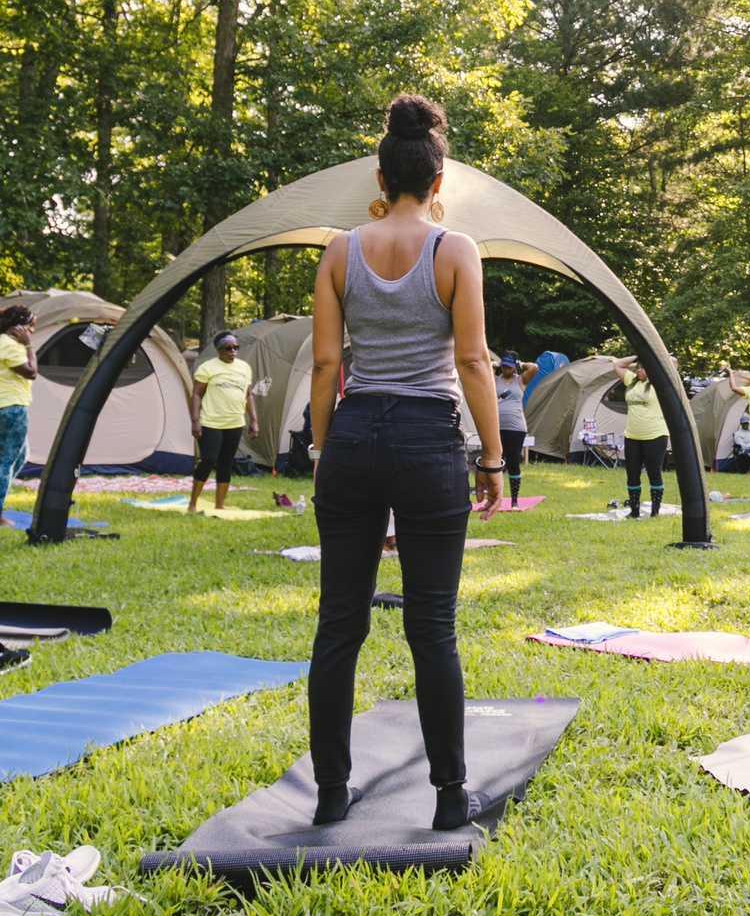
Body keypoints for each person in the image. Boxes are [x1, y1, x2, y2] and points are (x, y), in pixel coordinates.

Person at [303, 93, 506, 834]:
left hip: (354, 437)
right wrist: (494, 458)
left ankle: (331, 791)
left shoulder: (339, 250)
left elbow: (327, 366)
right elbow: (474, 361)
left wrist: (324, 452)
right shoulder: (456, 251)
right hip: (427, 441)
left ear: (381, 180)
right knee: (432, 627)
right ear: (438, 179)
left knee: (339, 625)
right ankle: (450, 796)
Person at [0, 304, 36, 524]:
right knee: (7, 459)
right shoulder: (9, 346)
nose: (33, 331)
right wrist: (29, 345)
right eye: (31, 326)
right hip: (9, 407)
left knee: (20, 455)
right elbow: (32, 372)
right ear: (19, 327)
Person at [188, 331, 256, 514]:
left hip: (235, 422)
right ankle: (192, 503)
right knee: (209, 459)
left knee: (226, 463)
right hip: (211, 422)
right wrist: (195, 421)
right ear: (219, 350)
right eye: (228, 348)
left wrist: (254, 421)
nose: (233, 351)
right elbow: (196, 394)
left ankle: (219, 504)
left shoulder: (244, 368)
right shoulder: (207, 368)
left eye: (235, 347)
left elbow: (248, 395)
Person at [615, 358, 668, 518]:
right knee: (632, 474)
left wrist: (650, 353)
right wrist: (637, 355)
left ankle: (655, 512)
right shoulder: (631, 380)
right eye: (637, 368)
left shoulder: (658, 383)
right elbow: (617, 364)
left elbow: (672, 362)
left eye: (643, 368)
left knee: (654, 473)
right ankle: (634, 511)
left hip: (655, 435)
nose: (639, 371)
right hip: (632, 436)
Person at [492, 357, 530, 507]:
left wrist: (521, 363)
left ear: (514, 367)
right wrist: (493, 364)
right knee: (496, 461)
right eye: (503, 367)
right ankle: (494, 497)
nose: (506, 370)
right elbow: (484, 368)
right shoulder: (495, 379)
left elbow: (534, 368)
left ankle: (514, 500)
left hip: (516, 427)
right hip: (497, 426)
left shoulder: (520, 380)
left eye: (509, 367)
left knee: (513, 462)